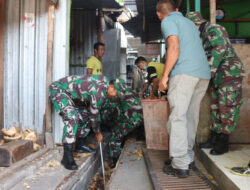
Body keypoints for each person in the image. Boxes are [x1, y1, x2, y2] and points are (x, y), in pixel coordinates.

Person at [156, 0, 211, 178]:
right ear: (177, 10)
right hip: (202, 74)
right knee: (190, 116)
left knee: (178, 117)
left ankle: (180, 164)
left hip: (184, 73)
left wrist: (164, 77)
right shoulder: (189, 23)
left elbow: (174, 46)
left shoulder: (167, 21)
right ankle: (187, 158)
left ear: (159, 14)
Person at [186, 12, 245, 155]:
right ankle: (215, 136)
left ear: (195, 24)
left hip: (229, 74)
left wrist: (207, 72)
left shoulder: (214, 29)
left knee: (227, 107)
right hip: (217, 76)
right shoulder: (201, 35)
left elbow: (219, 50)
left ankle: (223, 141)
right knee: (215, 106)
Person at [49, 75, 117, 170]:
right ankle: (67, 157)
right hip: (59, 90)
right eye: (115, 93)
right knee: (72, 117)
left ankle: (80, 145)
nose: (115, 96)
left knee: (85, 114)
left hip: (72, 95)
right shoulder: (97, 93)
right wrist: (98, 132)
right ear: (111, 87)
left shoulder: (105, 81)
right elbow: (94, 115)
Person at [101, 78, 143, 167]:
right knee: (120, 128)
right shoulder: (131, 91)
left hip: (132, 120)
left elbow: (116, 113)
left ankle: (116, 160)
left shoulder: (117, 96)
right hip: (141, 121)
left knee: (114, 137)